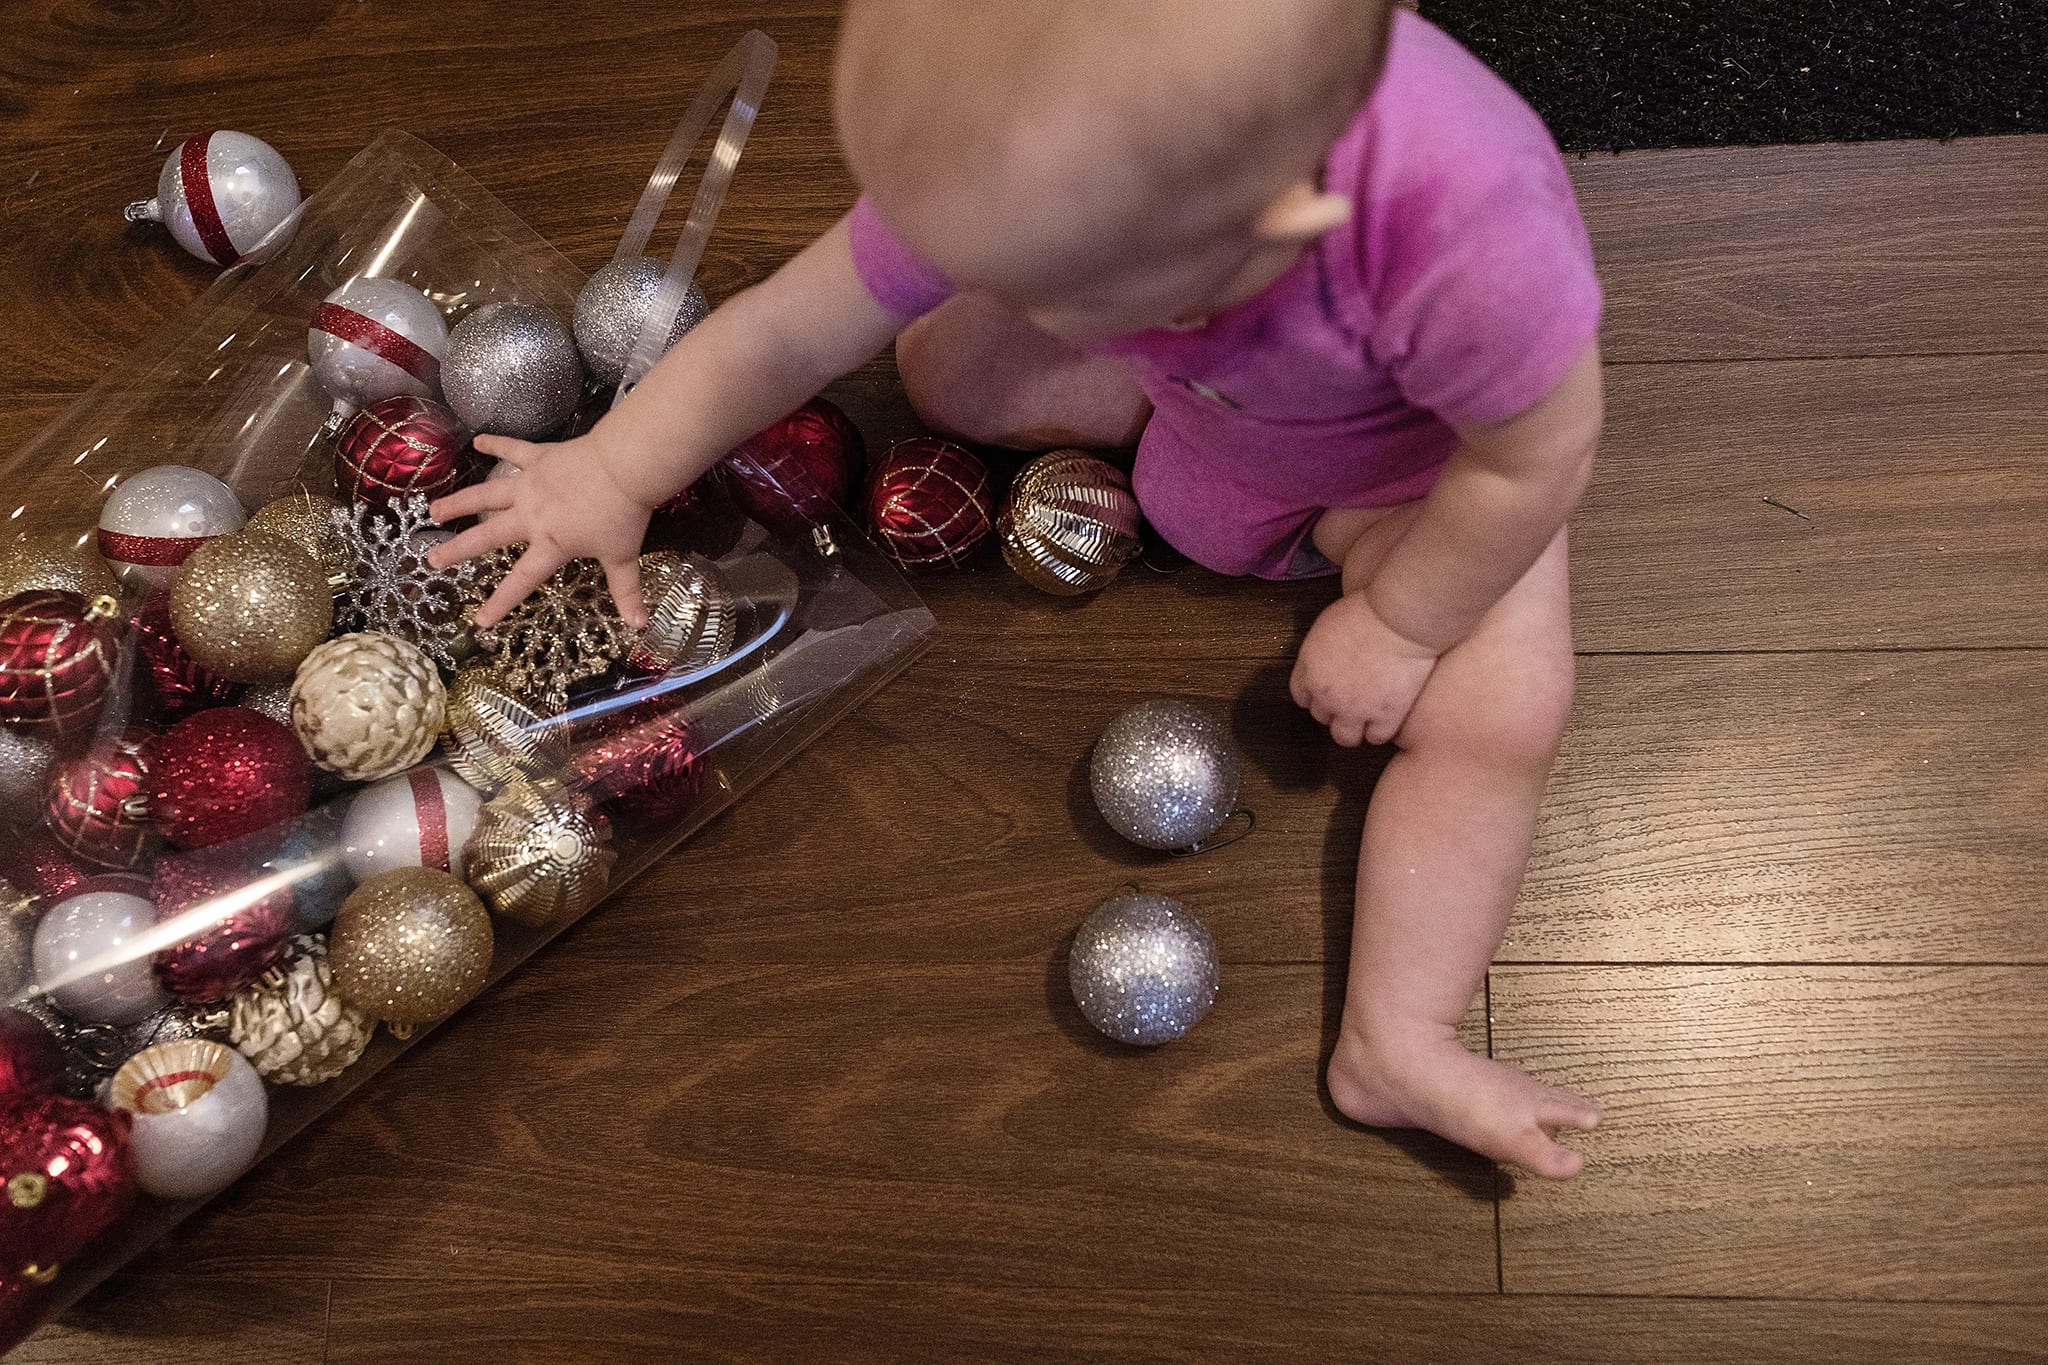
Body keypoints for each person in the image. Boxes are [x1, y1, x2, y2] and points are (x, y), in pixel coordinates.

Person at [430, 0, 1606, 1177]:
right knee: (938, 365)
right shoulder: (1055, 142)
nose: (946, 268)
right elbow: (788, 331)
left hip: (1416, 498)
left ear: (1268, 221)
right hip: (1210, 421)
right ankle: (1139, 394)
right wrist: (619, 468)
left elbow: (1530, 462)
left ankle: (1397, 1040)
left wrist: (1406, 625)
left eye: (1035, 278)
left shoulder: (1467, 236)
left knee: (1497, 716)